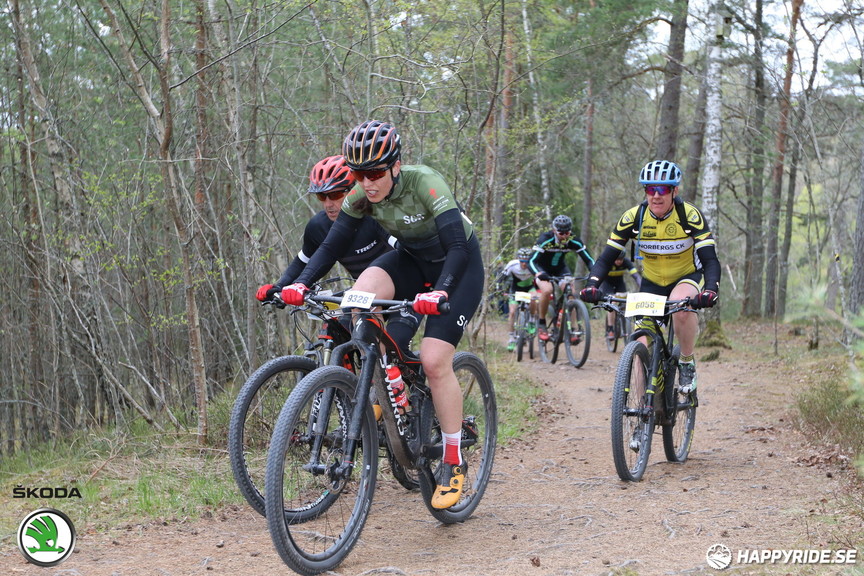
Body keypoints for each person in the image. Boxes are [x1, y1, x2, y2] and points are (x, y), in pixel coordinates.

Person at [279, 120, 485, 510]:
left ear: (396, 165)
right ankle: (386, 380)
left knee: (435, 360)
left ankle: (454, 460)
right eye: (358, 174)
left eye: (374, 173)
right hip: (413, 260)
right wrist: (302, 283)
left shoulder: (425, 182)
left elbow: (457, 245)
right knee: (359, 296)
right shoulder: (360, 195)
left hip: (458, 266)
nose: (367, 183)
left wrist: (440, 290)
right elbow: (329, 246)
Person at [579, 160, 720, 395]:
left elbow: (710, 260)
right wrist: (592, 284)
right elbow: (605, 259)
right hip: (652, 284)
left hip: (686, 278)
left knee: (683, 310)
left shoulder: (689, 216)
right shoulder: (634, 217)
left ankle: (686, 362)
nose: (656, 195)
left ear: (675, 191)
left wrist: (711, 289)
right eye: (649, 189)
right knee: (640, 344)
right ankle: (643, 415)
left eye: (662, 189)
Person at [255, 155, 418, 351]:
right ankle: (341, 378)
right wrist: (279, 286)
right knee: (335, 323)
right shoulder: (319, 227)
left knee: (392, 351)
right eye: (322, 196)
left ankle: (412, 376)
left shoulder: (375, 215)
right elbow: (303, 262)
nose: (328, 204)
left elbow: (405, 249)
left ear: (354, 191)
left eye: (335, 195)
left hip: (402, 296)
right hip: (363, 297)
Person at [527, 215, 595, 342]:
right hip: (543, 270)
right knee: (547, 290)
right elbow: (531, 260)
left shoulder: (574, 240)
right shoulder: (545, 240)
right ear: (554, 231)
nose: (564, 236)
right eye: (561, 233)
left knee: (571, 293)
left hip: (561, 269)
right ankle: (542, 323)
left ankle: (573, 329)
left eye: (567, 233)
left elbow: (588, 259)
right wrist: (537, 273)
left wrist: (595, 272)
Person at [497, 247, 538, 351]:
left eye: (526, 261)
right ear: (519, 259)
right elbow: (501, 278)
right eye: (522, 261)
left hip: (529, 288)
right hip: (515, 290)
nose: (524, 264)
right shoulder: (512, 265)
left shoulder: (534, 265)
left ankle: (532, 320)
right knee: (512, 312)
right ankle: (511, 338)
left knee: (534, 298)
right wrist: (500, 289)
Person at [599, 251, 642, 341]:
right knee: (613, 303)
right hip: (607, 285)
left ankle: (625, 323)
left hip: (620, 284)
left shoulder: (626, 262)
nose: (619, 261)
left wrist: (642, 286)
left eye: (621, 259)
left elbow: (636, 276)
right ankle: (610, 329)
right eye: (617, 259)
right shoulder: (608, 262)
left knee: (625, 301)